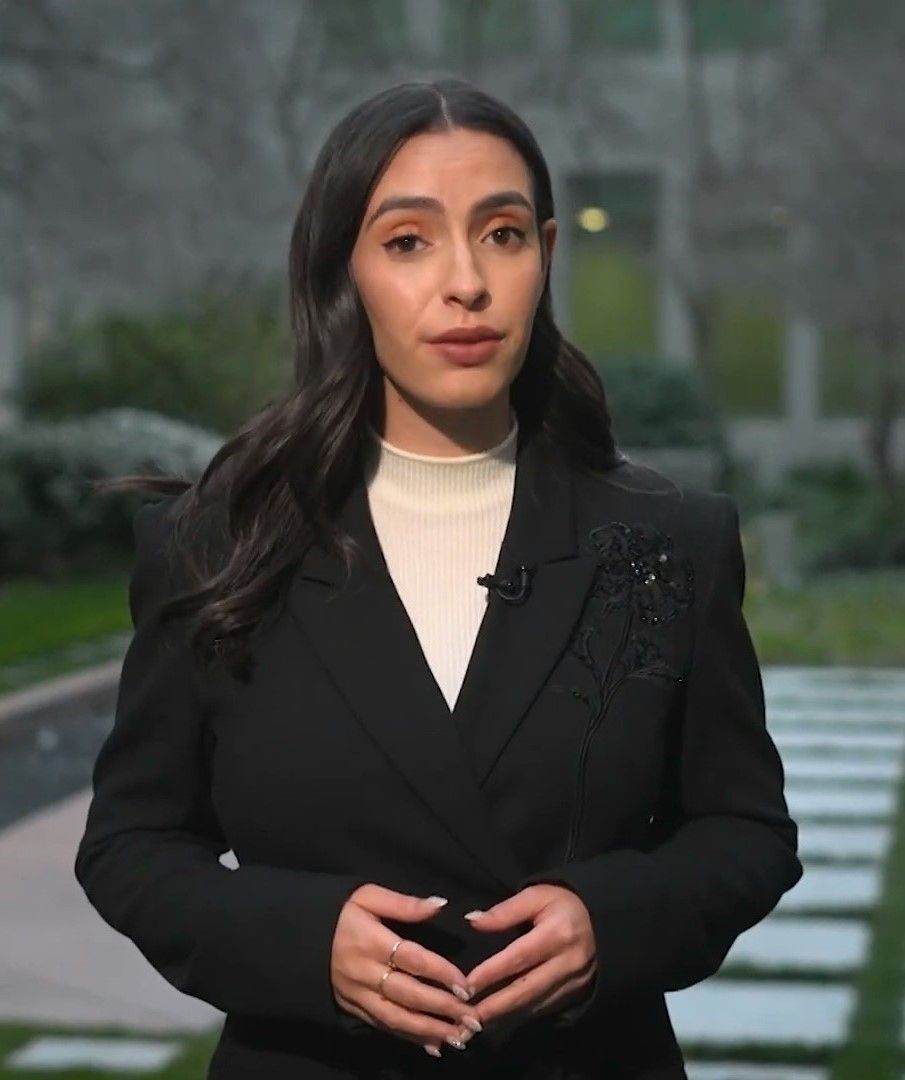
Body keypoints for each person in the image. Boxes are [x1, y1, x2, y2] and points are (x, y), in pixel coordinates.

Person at [74, 77, 803, 1079]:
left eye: (501, 235)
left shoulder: (667, 541)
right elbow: (132, 844)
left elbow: (743, 831)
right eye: (408, 241)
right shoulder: (218, 545)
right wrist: (302, 942)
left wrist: (613, 920)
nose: (465, 282)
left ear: (546, 254)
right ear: (342, 269)